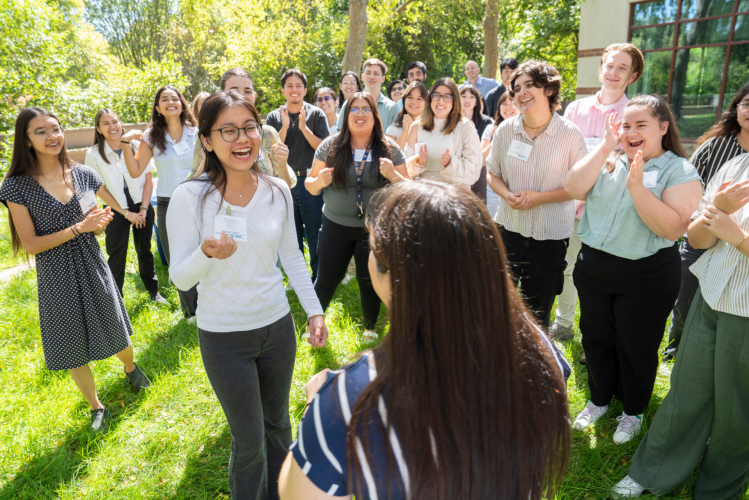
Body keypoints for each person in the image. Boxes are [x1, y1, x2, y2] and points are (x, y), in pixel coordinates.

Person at [277, 180, 572, 500]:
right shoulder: (544, 356)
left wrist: (317, 408)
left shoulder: (346, 404)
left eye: (373, 249)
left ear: (388, 274)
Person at [166, 91, 329, 500]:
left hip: (276, 328)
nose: (242, 139)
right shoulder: (190, 197)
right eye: (228, 130)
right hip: (224, 337)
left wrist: (314, 311)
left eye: (249, 127)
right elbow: (180, 280)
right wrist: (205, 253)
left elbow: (292, 255)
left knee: (279, 428)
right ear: (206, 140)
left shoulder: (276, 190)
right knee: (250, 442)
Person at [0, 107, 150, 433]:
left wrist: (96, 225)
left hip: (90, 260)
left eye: (55, 129)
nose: (52, 136)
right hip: (55, 271)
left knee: (114, 322)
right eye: (41, 131)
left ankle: (129, 367)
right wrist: (79, 228)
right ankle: (96, 406)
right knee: (70, 340)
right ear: (25, 140)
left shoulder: (81, 174)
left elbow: (92, 222)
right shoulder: (16, 187)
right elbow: (31, 244)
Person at [564, 94, 703, 445]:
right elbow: (572, 188)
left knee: (636, 344)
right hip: (595, 267)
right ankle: (598, 399)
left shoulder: (679, 170)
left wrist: (638, 189)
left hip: (647, 275)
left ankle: (633, 410)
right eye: (626, 125)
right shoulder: (608, 159)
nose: (631, 131)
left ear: (663, 127)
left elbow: (672, 229)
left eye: (641, 124)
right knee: (596, 338)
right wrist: (607, 145)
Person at [611, 152, 749, 500]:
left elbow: (730, 236)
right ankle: (653, 471)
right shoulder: (737, 165)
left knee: (737, 413)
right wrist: (714, 211)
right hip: (711, 294)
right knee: (686, 392)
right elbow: (698, 241)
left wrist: (738, 237)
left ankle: (718, 490)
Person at [549, 43, 644, 346]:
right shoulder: (576, 108)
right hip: (570, 205)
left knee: (601, 279)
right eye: (610, 66)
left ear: (632, 76)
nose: (613, 73)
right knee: (567, 268)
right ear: (600, 68)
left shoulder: (634, 114)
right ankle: (563, 324)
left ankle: (599, 339)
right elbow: (565, 155)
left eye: (622, 68)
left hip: (609, 210)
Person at [487, 60, 587, 328]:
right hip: (509, 228)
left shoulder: (570, 135)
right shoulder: (506, 130)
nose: (522, 93)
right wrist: (507, 194)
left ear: (549, 90)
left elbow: (580, 187)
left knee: (537, 313)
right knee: (498, 304)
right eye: (517, 88)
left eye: (530, 85)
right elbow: (492, 174)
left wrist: (539, 198)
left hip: (550, 236)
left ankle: (532, 362)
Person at [305, 92, 410, 340]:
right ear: (346, 115)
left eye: (366, 109)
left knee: (369, 280)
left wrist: (393, 175)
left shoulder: (389, 148)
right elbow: (310, 185)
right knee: (326, 279)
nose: (360, 114)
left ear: (375, 116)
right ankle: (312, 328)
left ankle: (370, 329)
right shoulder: (329, 146)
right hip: (335, 226)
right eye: (354, 109)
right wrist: (319, 181)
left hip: (373, 229)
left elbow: (409, 188)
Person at [662, 82, 749, 361]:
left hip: (738, 248)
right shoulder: (716, 146)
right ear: (736, 110)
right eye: (746, 104)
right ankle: (677, 347)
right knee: (687, 298)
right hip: (701, 233)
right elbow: (689, 185)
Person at [120, 85, 199, 319]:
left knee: (205, 250)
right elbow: (135, 171)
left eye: (175, 98)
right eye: (164, 99)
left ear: (183, 104)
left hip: (198, 198)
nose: (170, 102)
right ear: (158, 108)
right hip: (168, 202)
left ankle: (212, 302)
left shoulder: (197, 132)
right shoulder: (150, 136)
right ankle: (191, 312)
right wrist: (125, 143)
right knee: (177, 256)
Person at [84, 109, 165, 304]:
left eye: (115, 121)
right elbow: (100, 189)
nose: (112, 127)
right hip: (115, 208)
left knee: (144, 250)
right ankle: (115, 301)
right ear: (98, 129)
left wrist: (144, 209)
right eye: (106, 123)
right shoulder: (94, 154)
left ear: (121, 123)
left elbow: (148, 180)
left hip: (142, 205)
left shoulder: (136, 145)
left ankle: (153, 292)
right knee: (117, 253)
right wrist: (124, 212)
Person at [266, 69, 330, 282]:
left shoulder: (316, 114)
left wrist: (303, 128)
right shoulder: (275, 117)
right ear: (283, 90)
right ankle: (296, 280)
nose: (294, 90)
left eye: (298, 86)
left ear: (304, 90)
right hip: (284, 182)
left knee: (314, 232)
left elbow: (324, 148)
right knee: (291, 235)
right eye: (290, 86)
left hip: (310, 180)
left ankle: (318, 277)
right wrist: (284, 127)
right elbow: (272, 150)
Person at [190, 68, 295, 189]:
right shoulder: (208, 137)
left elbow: (285, 188)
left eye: (247, 91)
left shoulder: (268, 134)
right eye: (229, 131)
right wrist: (206, 162)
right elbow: (192, 186)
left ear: (254, 96)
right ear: (222, 94)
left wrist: (282, 166)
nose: (241, 96)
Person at [404, 77, 482, 189]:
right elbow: (405, 169)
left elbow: (474, 170)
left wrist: (450, 164)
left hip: (454, 197)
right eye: (436, 95)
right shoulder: (416, 127)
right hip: (423, 196)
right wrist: (419, 163)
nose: (441, 101)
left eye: (447, 97)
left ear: (455, 101)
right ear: (430, 99)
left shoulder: (465, 127)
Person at [336, 59, 400, 131]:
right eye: (368, 73)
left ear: (383, 78)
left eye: (376, 74)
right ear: (362, 77)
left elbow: (397, 137)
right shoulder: (348, 104)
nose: (371, 77)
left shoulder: (392, 107)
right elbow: (340, 133)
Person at [483, 91, 519, 217]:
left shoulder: (527, 129)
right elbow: (482, 159)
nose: (508, 107)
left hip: (518, 188)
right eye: (504, 103)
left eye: (512, 103)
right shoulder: (491, 128)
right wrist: (495, 139)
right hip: (495, 187)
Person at [460, 84, 494, 202]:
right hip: (457, 167)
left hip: (478, 169)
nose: (467, 100)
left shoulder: (485, 121)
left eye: (472, 97)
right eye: (463, 96)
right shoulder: (452, 120)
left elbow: (482, 151)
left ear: (477, 102)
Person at [384, 81, 427, 149]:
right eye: (410, 97)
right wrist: (405, 132)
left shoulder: (433, 127)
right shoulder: (393, 128)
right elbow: (391, 156)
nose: (414, 102)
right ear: (404, 100)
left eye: (419, 98)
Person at [191, 92, 211, 176]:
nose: (207, 107)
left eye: (210, 103)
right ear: (196, 109)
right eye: (203, 104)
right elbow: (194, 172)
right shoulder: (199, 135)